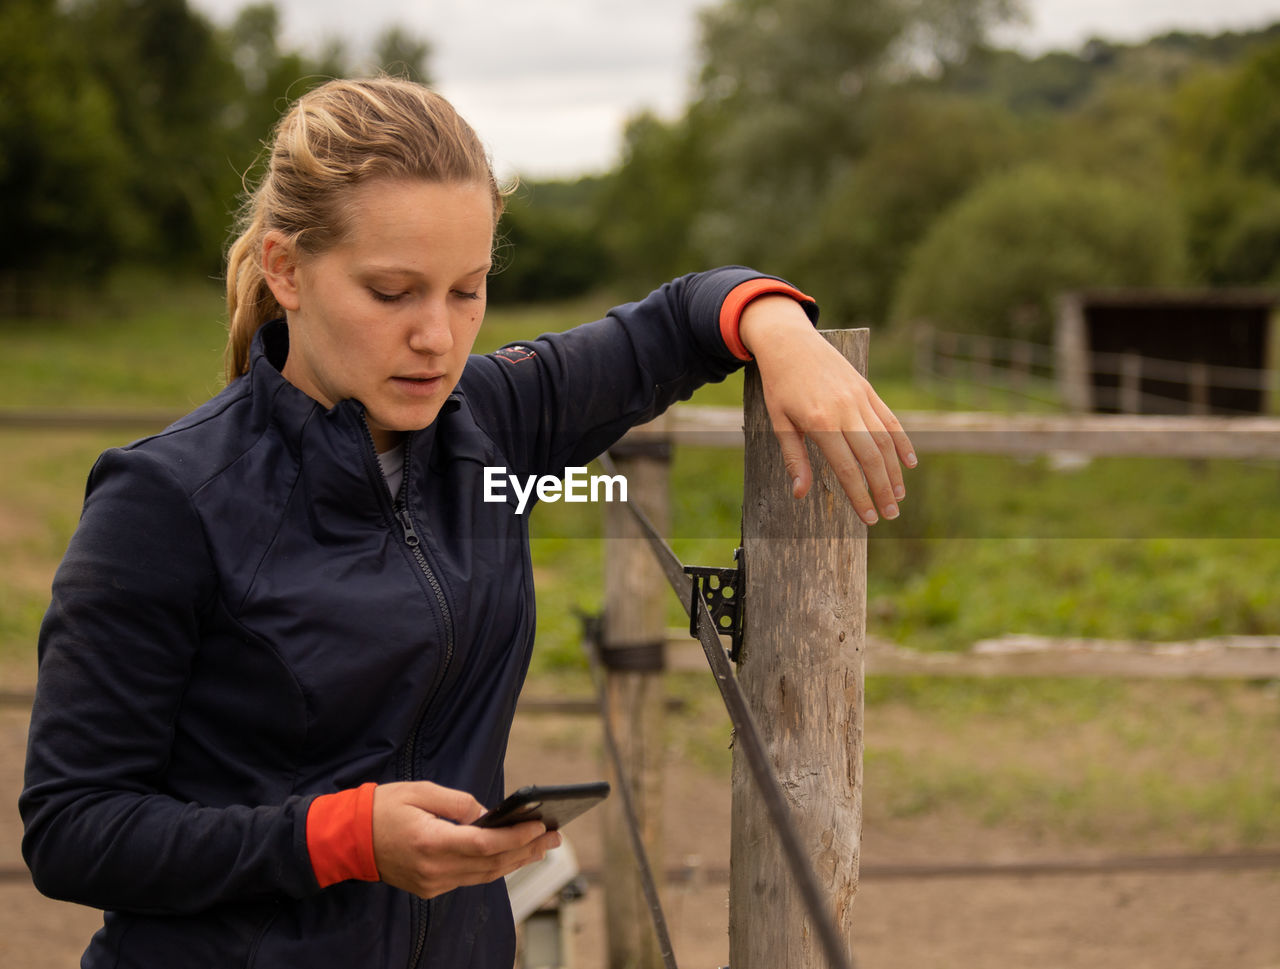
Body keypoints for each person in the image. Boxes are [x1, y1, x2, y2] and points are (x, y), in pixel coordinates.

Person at [20, 76, 915, 968]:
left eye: (467, 291)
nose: (439, 339)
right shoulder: (164, 499)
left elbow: (676, 321)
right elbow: (73, 826)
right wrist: (345, 836)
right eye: (392, 292)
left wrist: (779, 328)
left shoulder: (491, 418)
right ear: (285, 269)